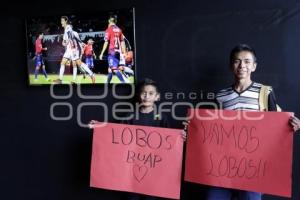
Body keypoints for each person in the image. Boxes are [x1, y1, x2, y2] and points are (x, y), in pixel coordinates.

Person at [205, 44, 300, 200]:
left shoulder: (265, 92)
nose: (242, 65)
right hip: (222, 164)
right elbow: (211, 130)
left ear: (254, 66)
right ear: (231, 66)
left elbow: (277, 125)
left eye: (247, 61)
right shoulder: (221, 95)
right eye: (237, 61)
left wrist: (292, 126)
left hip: (253, 166)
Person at [89, 78, 185, 200]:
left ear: (157, 97)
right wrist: (100, 126)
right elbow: (116, 133)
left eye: (151, 93)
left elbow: (170, 142)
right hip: (131, 170)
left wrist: (180, 137)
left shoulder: (161, 118)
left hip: (154, 169)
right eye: (143, 93)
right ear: (138, 95)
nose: (146, 96)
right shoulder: (131, 116)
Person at [53, 16, 95, 84]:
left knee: (79, 63)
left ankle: (91, 74)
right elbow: (66, 41)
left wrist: (81, 42)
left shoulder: (68, 27)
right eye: (61, 21)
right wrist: (64, 42)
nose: (61, 22)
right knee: (63, 62)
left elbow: (72, 36)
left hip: (73, 49)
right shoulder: (66, 30)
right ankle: (60, 79)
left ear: (66, 21)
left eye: (62, 21)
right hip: (69, 50)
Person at [99, 14, 127, 83]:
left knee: (114, 69)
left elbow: (106, 42)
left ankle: (124, 83)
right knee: (110, 69)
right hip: (118, 52)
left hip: (112, 52)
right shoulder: (119, 30)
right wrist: (124, 52)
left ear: (109, 21)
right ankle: (107, 84)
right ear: (115, 21)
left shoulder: (109, 29)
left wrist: (101, 53)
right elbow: (122, 42)